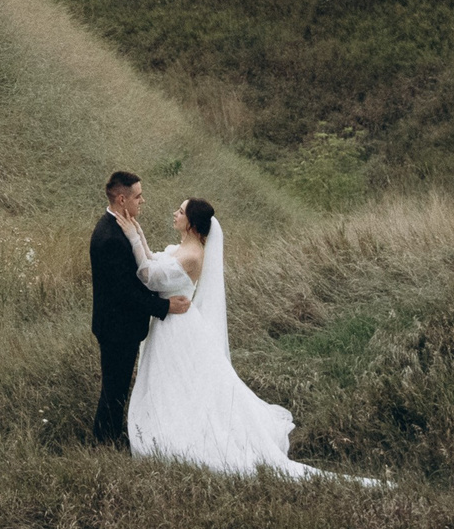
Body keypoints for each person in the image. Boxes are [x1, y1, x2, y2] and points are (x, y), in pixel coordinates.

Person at [125, 197, 371, 481]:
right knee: (171, 380)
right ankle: (164, 417)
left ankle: (176, 429)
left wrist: (132, 235)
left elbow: (148, 275)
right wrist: (138, 230)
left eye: (180, 211)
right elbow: (155, 261)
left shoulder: (192, 256)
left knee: (183, 382)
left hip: (178, 327)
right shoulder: (180, 249)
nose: (174, 213)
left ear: (191, 223)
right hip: (170, 323)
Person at [88, 170, 190, 447]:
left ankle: (108, 435)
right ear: (122, 199)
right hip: (116, 326)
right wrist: (164, 306)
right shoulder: (110, 237)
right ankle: (105, 441)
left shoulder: (121, 227)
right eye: (138, 196)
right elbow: (124, 292)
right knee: (114, 387)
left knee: (117, 385)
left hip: (119, 324)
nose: (142, 200)